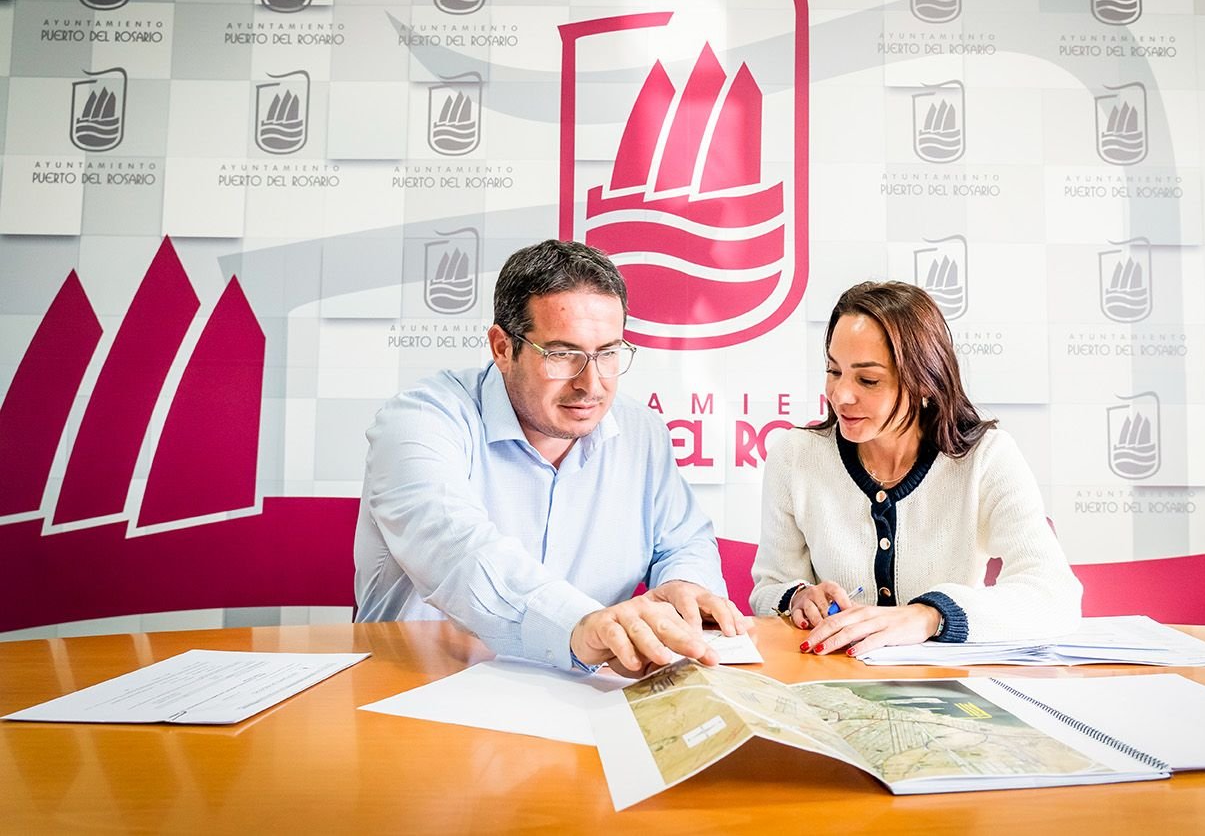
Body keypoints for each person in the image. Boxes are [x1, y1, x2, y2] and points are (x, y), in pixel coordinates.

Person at [355, 240, 748, 675]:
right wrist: (580, 626)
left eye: (608, 353)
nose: (591, 385)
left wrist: (684, 586)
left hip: (585, 692)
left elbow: (684, 540)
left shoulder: (641, 431)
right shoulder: (420, 421)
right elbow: (457, 551)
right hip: (416, 689)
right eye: (562, 354)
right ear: (502, 348)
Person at [750, 280, 1081, 656]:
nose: (840, 395)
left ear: (925, 381)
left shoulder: (986, 457)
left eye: (868, 380)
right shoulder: (795, 456)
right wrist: (796, 598)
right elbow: (768, 589)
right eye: (833, 371)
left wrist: (929, 616)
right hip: (831, 678)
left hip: (951, 683)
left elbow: (1055, 595)